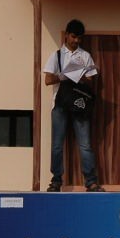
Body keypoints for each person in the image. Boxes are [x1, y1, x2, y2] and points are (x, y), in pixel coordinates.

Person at [43, 19, 104, 192]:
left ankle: (91, 182)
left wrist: (80, 74)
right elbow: (47, 80)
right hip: (60, 105)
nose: (76, 41)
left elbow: (91, 79)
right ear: (67, 35)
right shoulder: (56, 55)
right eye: (74, 37)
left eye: (79, 38)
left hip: (79, 104)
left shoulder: (85, 56)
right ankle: (56, 181)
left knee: (85, 145)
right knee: (57, 144)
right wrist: (64, 76)